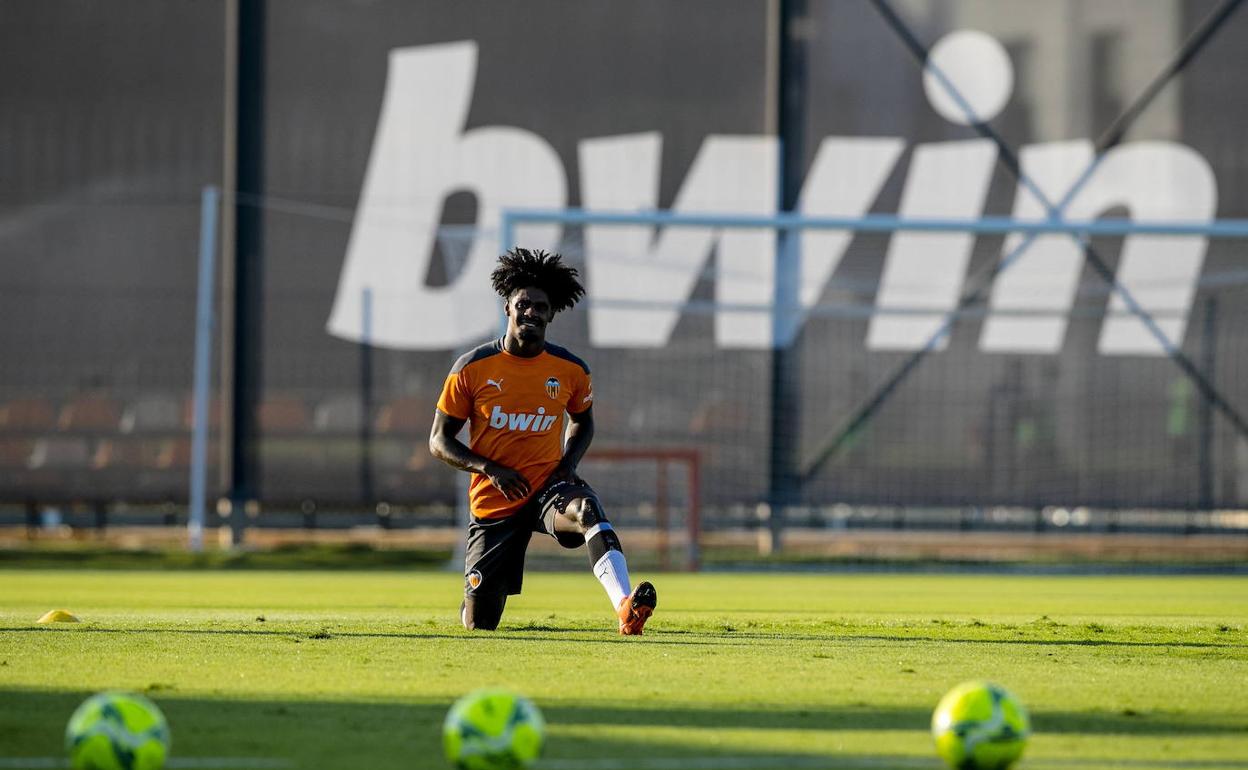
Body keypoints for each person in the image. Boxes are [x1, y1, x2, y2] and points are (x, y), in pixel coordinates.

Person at [429, 247, 657, 634]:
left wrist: (567, 466)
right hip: (494, 499)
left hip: (547, 491)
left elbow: (583, 422)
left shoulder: (569, 370)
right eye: (523, 304)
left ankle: (624, 608)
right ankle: (472, 597)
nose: (531, 312)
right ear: (507, 307)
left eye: (540, 306)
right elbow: (439, 441)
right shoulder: (471, 368)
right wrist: (489, 468)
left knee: (588, 510)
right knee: (480, 624)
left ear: (552, 314)